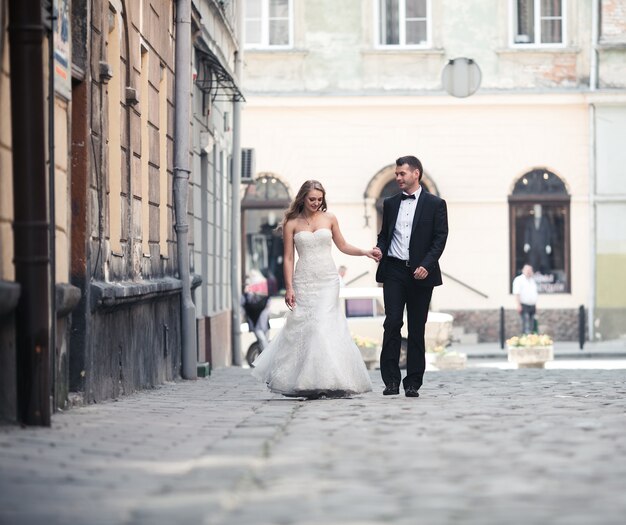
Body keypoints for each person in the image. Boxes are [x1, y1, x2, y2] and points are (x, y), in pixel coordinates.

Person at [251, 180, 378, 399]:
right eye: (312, 199)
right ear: (302, 198)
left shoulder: (329, 219)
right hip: (304, 280)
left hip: (328, 279)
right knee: (308, 328)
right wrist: (289, 287)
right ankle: (308, 381)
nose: (316, 203)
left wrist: (365, 252)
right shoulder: (291, 222)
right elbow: (289, 258)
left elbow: (343, 245)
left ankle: (330, 379)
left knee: (323, 326)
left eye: (320, 199)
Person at [372, 156, 448, 398]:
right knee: (392, 323)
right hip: (393, 270)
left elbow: (440, 238)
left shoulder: (436, 204)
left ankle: (413, 382)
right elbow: (385, 235)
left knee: (417, 328)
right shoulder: (391, 203)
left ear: (416, 174)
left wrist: (427, 264)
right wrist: (379, 248)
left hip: (421, 274)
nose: (398, 178)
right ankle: (391, 381)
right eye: (396, 174)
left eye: (402, 173)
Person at [241, 271, 271, 352]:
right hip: (256, 322)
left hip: (262, 321)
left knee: (264, 341)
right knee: (262, 341)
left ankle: (266, 358)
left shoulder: (263, 296)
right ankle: (266, 358)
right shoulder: (248, 295)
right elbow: (244, 306)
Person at [512, 264, 538, 334]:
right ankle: (525, 340)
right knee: (526, 324)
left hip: (532, 305)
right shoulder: (519, 280)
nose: (529, 272)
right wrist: (518, 305)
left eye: (530, 270)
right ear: (523, 271)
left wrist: (535, 305)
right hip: (524, 305)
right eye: (527, 270)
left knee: (532, 325)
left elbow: (534, 294)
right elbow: (517, 293)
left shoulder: (532, 280)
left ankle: (531, 340)